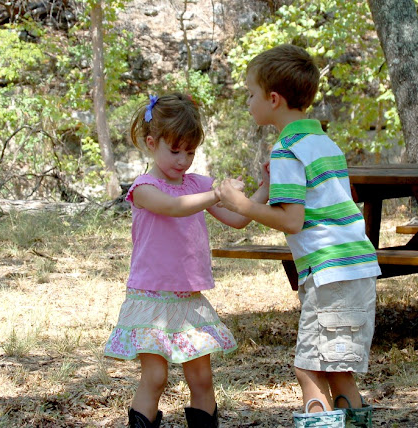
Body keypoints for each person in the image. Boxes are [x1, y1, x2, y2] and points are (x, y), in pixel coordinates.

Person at [215, 44, 381, 427]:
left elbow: (292, 221)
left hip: (329, 273)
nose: (248, 102)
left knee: (309, 370)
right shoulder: (324, 142)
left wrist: (241, 203)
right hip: (356, 269)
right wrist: (256, 192)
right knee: (339, 371)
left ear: (273, 99)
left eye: (251, 94)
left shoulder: (287, 149)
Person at [104, 93, 269, 428]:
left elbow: (239, 218)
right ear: (152, 143)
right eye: (175, 150)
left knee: (202, 378)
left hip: (189, 299)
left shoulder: (197, 185)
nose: (183, 160)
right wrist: (217, 193)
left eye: (190, 152)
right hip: (150, 298)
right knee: (155, 377)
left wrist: (266, 187)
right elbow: (173, 207)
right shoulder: (144, 187)